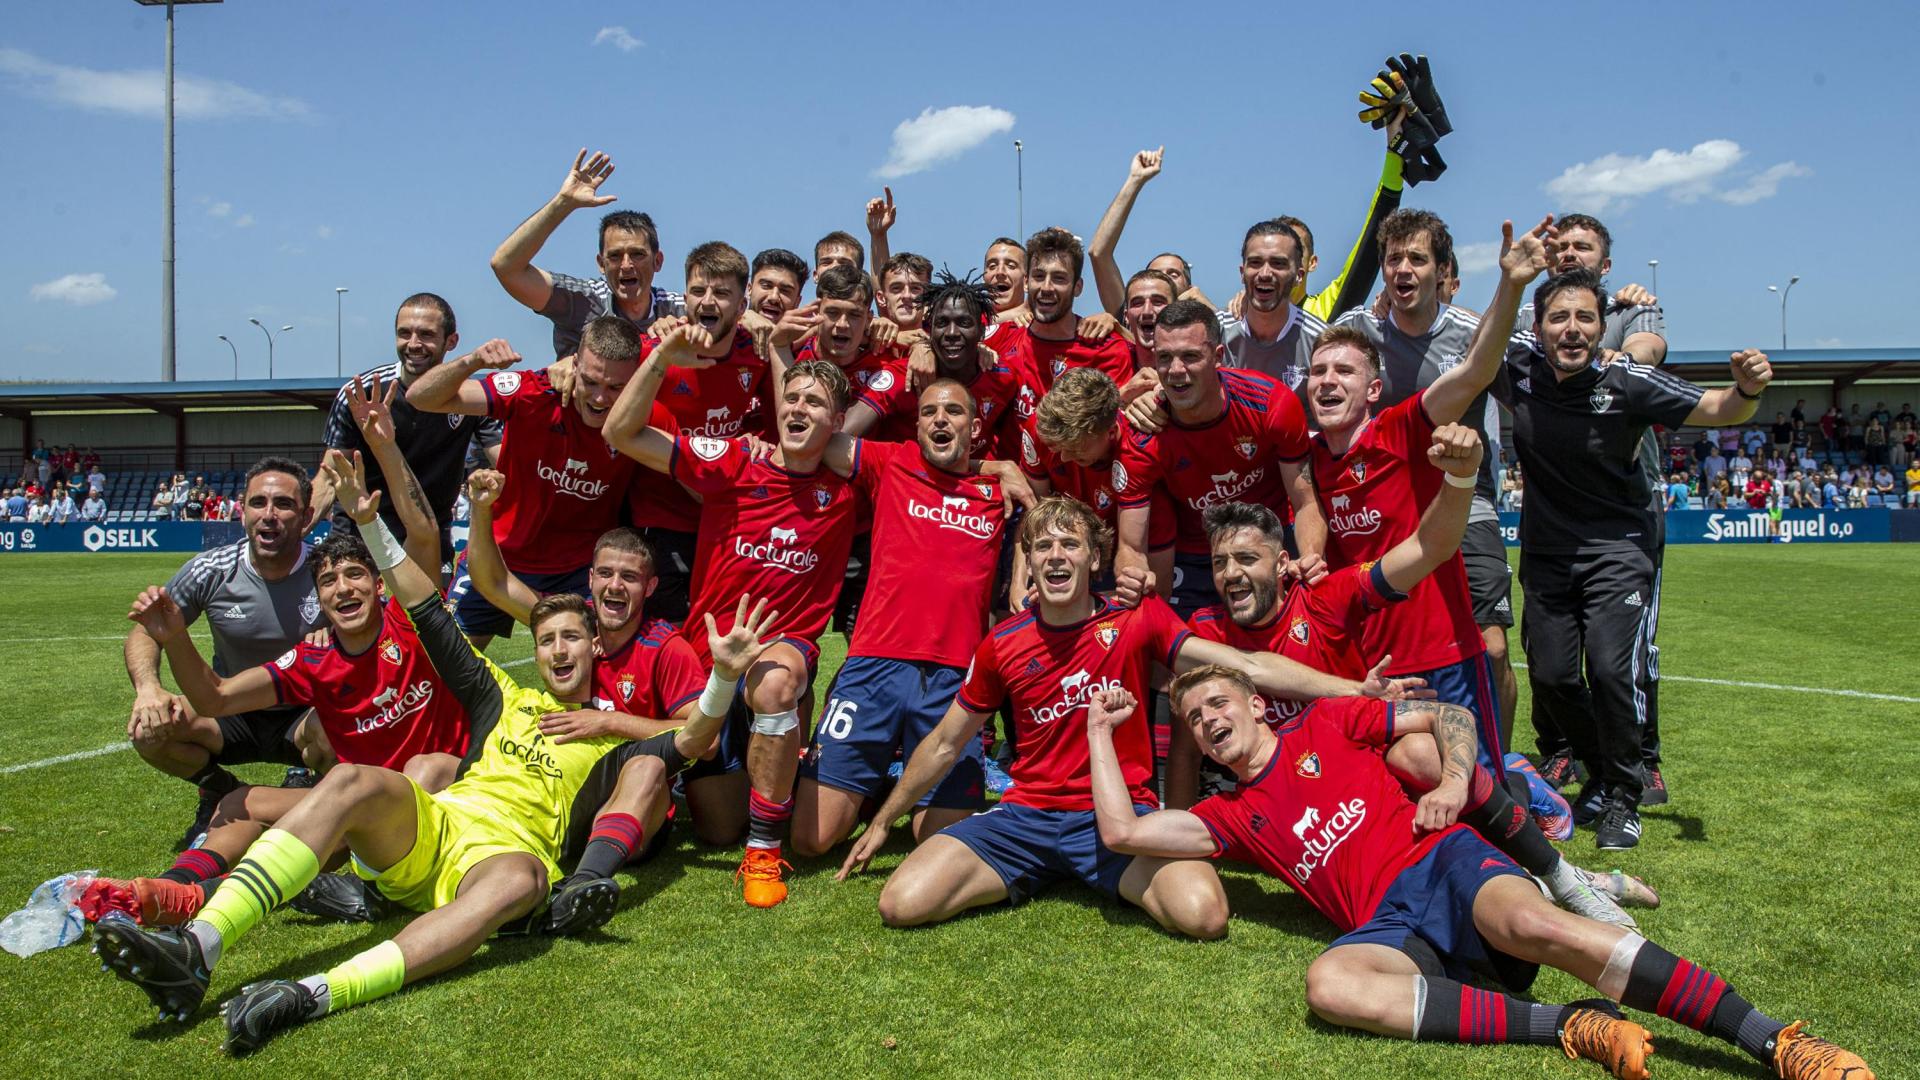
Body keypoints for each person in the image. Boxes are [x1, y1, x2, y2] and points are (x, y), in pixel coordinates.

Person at [94, 491, 773, 1054]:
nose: (559, 650)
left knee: (522, 877)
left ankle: (314, 993)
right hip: (434, 830)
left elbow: (693, 737)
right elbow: (425, 606)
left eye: (572, 638)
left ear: (594, 646)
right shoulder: (500, 697)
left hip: (503, 859)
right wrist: (367, 524)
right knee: (357, 779)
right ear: (532, 652)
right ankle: (197, 950)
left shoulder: (610, 741)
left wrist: (721, 677)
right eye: (546, 641)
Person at [1085, 667, 1872, 1080]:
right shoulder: (1232, 817)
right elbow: (1121, 830)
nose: (1212, 721)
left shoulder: (1326, 722)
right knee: (1331, 986)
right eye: (1196, 720)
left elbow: (1450, 718)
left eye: (1220, 703)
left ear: (1257, 704)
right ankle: (1570, 1027)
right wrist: (1097, 729)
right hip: (1386, 925)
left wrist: (1457, 784)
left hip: (1444, 863)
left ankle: (1773, 1043)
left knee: (1535, 926)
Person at [837, 495, 1425, 936]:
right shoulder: (1001, 644)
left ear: (1095, 558)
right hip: (1028, 816)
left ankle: (1087, 872)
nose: (1057, 556)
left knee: (1204, 915)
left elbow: (1250, 664)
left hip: (1120, 820)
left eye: (1070, 544)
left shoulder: (1138, 620)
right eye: (1043, 546)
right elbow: (945, 742)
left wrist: (1354, 690)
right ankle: (1039, 869)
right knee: (901, 904)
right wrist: (887, 818)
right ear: (1030, 564)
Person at [1495, 262, 1774, 850]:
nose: (1571, 329)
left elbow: (1721, 408)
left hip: (1616, 552)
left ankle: (1623, 798)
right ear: (1539, 328)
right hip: (1546, 555)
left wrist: (1748, 387)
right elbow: (1468, 344)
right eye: (1558, 318)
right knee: (1550, 676)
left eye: (1585, 319)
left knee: (1610, 671)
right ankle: (1601, 771)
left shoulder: (1628, 382)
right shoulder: (1515, 369)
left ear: (1601, 330)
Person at [603, 337, 862, 907]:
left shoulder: (849, 490)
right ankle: (778, 764)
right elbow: (621, 433)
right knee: (718, 827)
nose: (798, 409)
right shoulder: (734, 460)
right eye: (791, 398)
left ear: (838, 422)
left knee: (775, 683)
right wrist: (658, 361)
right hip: (709, 652)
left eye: (814, 403)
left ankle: (765, 849)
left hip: (782, 648)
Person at [791, 378, 1011, 857]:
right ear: (916, 425)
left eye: (953, 412)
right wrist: (887, 383)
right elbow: (819, 439)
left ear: (975, 428)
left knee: (940, 843)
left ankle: (892, 785)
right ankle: (869, 784)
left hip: (955, 680)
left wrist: (996, 466)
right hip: (874, 665)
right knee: (811, 840)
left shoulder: (997, 492)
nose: (939, 419)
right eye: (929, 411)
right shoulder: (893, 463)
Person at [459, 468, 734, 844]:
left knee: (721, 830)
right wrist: (482, 510)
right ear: (590, 579)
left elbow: (705, 740)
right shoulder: (573, 624)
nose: (615, 585)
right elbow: (494, 584)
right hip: (558, 782)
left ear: (650, 586)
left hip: (631, 794)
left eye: (629, 577)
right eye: (605, 573)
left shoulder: (666, 648)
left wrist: (608, 722)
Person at [1332, 209, 1519, 752]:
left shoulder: (1471, 335)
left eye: (1418, 258)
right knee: (1372, 650)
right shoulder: (1356, 333)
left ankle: (1499, 768)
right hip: (1379, 512)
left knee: (1494, 648)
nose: (1403, 269)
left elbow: (1521, 395)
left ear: (1442, 271)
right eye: (1394, 259)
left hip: (1464, 500)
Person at [125, 457, 329, 849]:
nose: (269, 515)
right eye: (258, 503)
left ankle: (315, 805)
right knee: (148, 731)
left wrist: (335, 641)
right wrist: (148, 689)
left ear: (305, 516)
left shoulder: (328, 569)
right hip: (230, 711)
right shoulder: (212, 569)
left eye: (283, 505)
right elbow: (144, 632)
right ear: (242, 511)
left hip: (306, 715)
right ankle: (219, 789)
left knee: (344, 729)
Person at [407, 321, 650, 649]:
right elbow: (421, 397)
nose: (599, 398)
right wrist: (473, 361)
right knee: (444, 660)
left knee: (597, 673)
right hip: (499, 555)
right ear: (573, 364)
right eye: (590, 381)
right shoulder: (533, 392)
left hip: (579, 572)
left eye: (614, 388)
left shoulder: (643, 414)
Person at [1114, 300, 1324, 618]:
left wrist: (1308, 561)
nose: (1175, 371)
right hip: (1194, 558)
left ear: (1219, 357)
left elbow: (1306, 500)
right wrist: (1132, 577)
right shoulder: (1142, 438)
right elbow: (1132, 547)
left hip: (1269, 546)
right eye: (1165, 357)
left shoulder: (1271, 405)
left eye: (1190, 356)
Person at [307, 294, 502, 565]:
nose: (413, 344)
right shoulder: (361, 393)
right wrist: (296, 531)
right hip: (360, 541)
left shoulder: (471, 397)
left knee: (430, 609)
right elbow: (330, 477)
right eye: (404, 333)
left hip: (428, 542)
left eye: (426, 334)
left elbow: (506, 462)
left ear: (451, 341)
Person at [490, 149, 685, 360]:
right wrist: (563, 203)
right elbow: (506, 267)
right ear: (601, 264)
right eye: (615, 256)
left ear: (658, 261)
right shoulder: (582, 301)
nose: (626, 265)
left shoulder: (679, 310)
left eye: (637, 254)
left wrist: (685, 328)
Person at [981, 236, 1027, 323]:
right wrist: (1020, 311)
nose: (1000, 272)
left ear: (1027, 282)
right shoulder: (965, 323)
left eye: (1011, 266)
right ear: (983, 281)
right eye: (992, 266)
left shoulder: (1040, 328)